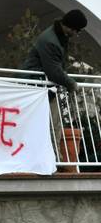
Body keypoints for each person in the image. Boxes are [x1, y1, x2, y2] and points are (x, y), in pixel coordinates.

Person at [21, 9, 88, 158]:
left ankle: (55, 160)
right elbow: (54, 71)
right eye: (78, 31)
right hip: (37, 86)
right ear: (71, 27)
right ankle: (54, 162)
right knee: (52, 124)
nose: (77, 34)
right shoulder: (51, 41)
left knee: (54, 124)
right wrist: (72, 84)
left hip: (45, 86)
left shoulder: (58, 35)